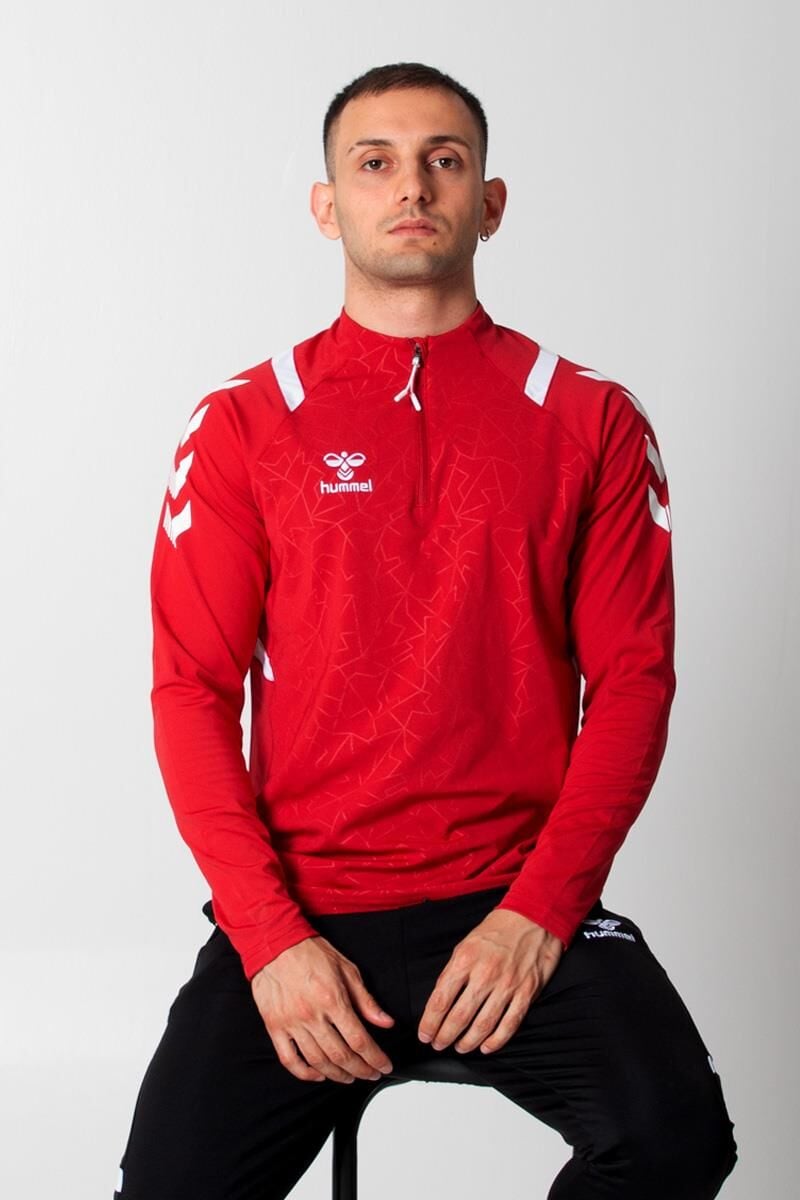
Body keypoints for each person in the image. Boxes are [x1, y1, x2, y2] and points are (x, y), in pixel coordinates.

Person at [113, 61, 738, 1199]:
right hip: (304, 909)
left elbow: (634, 685)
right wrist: (268, 937)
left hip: (513, 899)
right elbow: (189, 692)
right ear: (327, 205)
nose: (411, 186)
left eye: (443, 160)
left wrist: (539, 914)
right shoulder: (244, 423)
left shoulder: (590, 418)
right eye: (376, 162)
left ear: (488, 202)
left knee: (674, 1140)